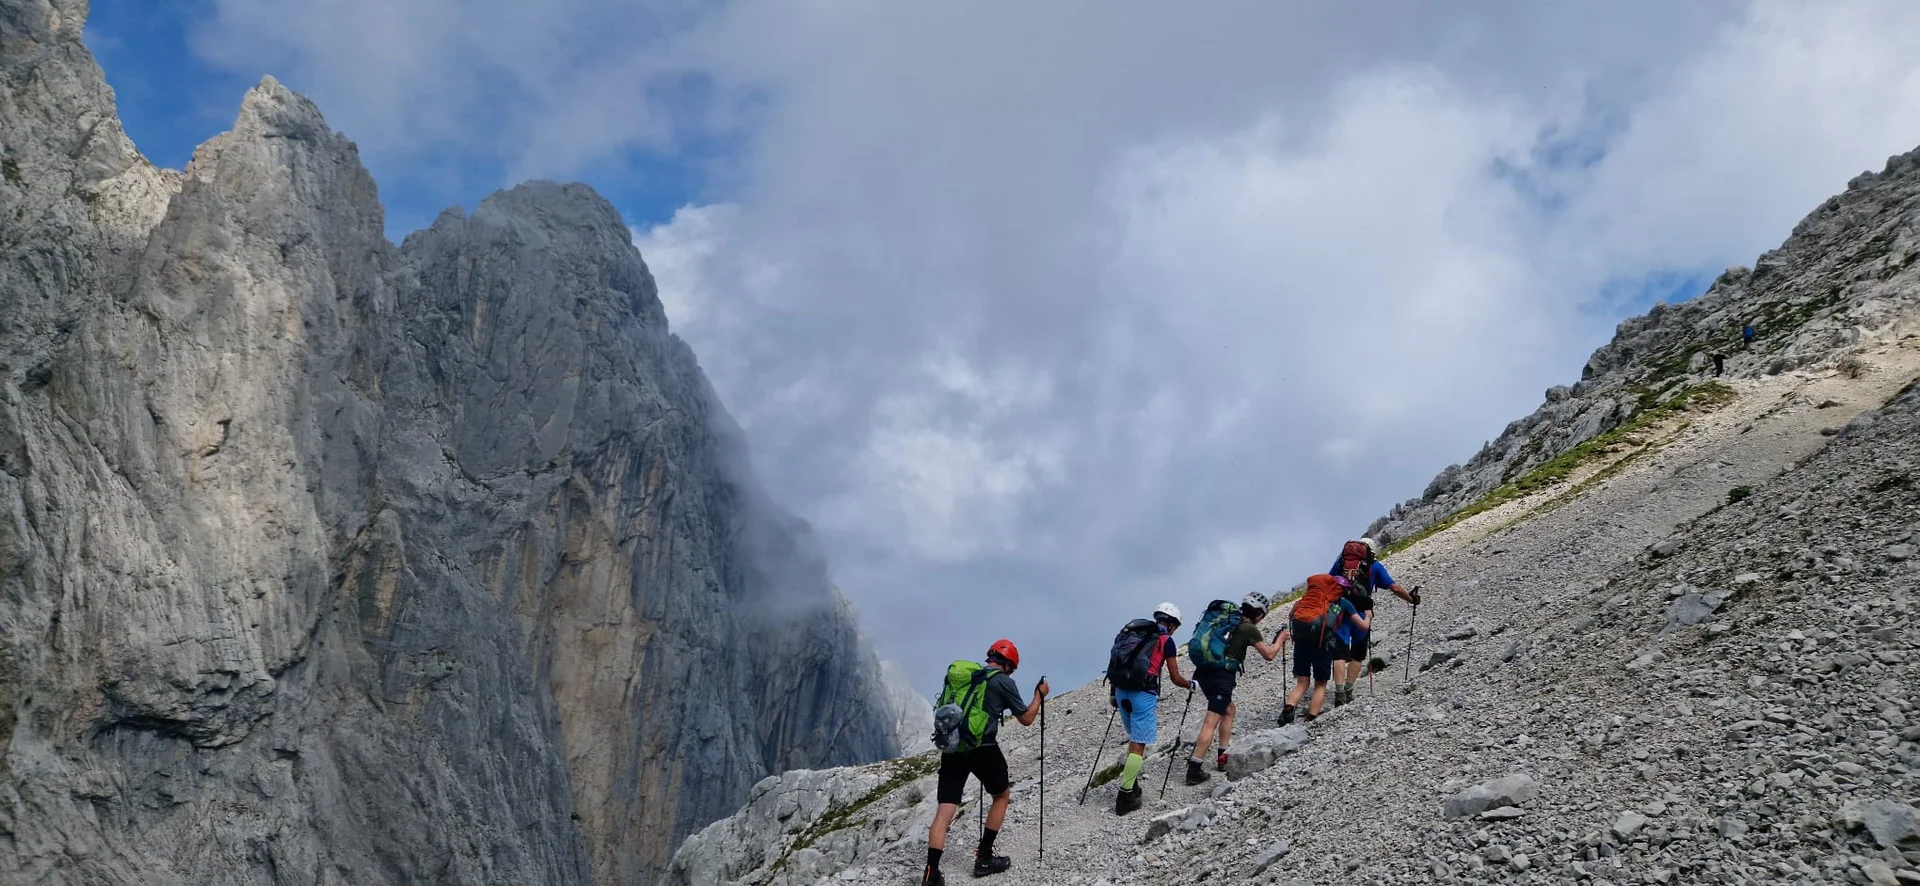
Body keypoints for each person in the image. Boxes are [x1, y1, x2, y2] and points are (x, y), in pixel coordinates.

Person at [924, 640, 1050, 885]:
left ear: (990, 658)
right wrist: (1039, 696)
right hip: (985, 749)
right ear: (1010, 666)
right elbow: (1026, 719)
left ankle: (931, 873)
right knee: (1001, 795)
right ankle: (983, 858)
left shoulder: (967, 677)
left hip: (953, 747)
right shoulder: (1003, 681)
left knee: (944, 811)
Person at [1183, 592, 1284, 785]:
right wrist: (1280, 640)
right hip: (1222, 676)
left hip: (1204, 672)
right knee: (1210, 722)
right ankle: (1194, 769)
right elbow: (1269, 655)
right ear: (1258, 613)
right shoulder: (1248, 628)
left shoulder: (1228, 622)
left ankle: (1223, 756)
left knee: (1229, 709)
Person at [1109, 603, 1193, 815]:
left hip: (1120, 691)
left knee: (1133, 740)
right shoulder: (1166, 641)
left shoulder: (1134, 634)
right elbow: (1175, 677)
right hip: (1143, 693)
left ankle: (1132, 783)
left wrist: (1113, 693)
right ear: (1172, 624)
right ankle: (1125, 796)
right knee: (1139, 744)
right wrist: (1190, 685)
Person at [1277, 573, 1351, 725]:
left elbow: (1292, 616)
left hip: (1301, 644)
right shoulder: (1333, 603)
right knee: (1320, 684)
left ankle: (1288, 709)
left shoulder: (1304, 601)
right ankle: (1310, 718)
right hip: (1321, 646)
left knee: (1302, 682)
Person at [1329, 537, 1420, 607]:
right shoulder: (1375, 566)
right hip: (1360, 608)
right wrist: (1411, 599)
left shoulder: (1341, 562)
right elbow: (1394, 588)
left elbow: (1328, 580)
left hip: (1337, 604)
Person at [1329, 580, 1374, 706]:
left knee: (1339, 655)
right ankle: (1348, 691)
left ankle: (1339, 693)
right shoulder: (1373, 566)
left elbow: (1330, 577)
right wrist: (1368, 617)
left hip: (1342, 614)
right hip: (1362, 612)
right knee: (1358, 655)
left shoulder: (1340, 563)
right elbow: (1393, 586)